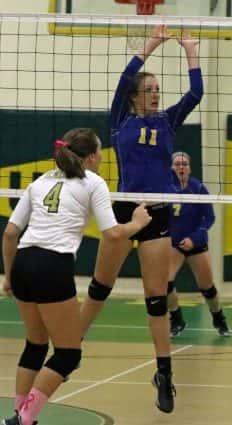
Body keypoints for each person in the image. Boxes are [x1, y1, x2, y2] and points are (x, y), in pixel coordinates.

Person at [77, 25, 203, 413]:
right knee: (100, 286)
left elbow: (195, 93)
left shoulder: (167, 121)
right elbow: (122, 81)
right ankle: (69, 348)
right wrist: (152, 43)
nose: (155, 94)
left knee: (156, 297)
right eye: (148, 90)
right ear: (134, 97)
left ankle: (164, 374)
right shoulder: (120, 119)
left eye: (157, 90)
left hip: (158, 212)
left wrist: (190, 51)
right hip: (124, 209)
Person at [1, 128, 151, 425]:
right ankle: (24, 419)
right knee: (68, 354)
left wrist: (8, 276)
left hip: (23, 261)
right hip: (52, 265)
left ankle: (19, 415)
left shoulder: (41, 180)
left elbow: (9, 234)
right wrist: (137, 223)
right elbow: (112, 233)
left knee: (36, 344)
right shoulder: (93, 182)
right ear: (92, 156)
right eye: (100, 154)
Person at [167, 151, 231, 338]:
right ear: (171, 167)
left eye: (184, 164)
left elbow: (209, 217)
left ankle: (219, 318)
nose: (181, 167)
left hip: (196, 243)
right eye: (177, 164)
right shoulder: (166, 188)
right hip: (174, 243)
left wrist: (194, 239)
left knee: (207, 287)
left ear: (190, 167)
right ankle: (176, 319)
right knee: (165, 283)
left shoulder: (198, 188)